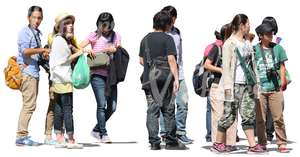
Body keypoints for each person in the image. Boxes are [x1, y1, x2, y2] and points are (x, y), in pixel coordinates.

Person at [211, 14, 264, 154]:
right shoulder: (229, 43)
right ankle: (217, 143)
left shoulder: (247, 42)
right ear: (242, 25)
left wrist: (256, 83)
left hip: (248, 85)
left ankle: (252, 145)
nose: (249, 26)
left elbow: (251, 65)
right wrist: (227, 87)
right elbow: (227, 68)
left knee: (248, 115)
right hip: (233, 85)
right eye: (248, 24)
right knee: (229, 115)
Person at [139, 11, 187, 150]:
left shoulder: (145, 39)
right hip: (166, 80)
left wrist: (153, 67)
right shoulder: (168, 39)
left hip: (149, 80)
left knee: (152, 110)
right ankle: (171, 141)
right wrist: (176, 79)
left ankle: (154, 142)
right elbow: (171, 60)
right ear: (166, 24)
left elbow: (141, 60)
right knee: (168, 110)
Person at [80, 12, 121, 143]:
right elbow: (78, 47)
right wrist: (87, 50)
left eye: (106, 25)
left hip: (111, 76)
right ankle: (103, 133)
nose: (103, 28)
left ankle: (97, 129)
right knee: (101, 105)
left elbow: (119, 49)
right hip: (97, 75)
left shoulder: (116, 35)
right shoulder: (93, 35)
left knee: (112, 107)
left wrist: (113, 49)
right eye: (101, 25)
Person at [15, 6, 50, 146]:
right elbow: (25, 51)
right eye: (34, 17)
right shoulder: (25, 32)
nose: (37, 20)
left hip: (33, 73)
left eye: (39, 18)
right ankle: (21, 137)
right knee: (29, 106)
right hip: (28, 73)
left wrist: (43, 54)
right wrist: (42, 49)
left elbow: (34, 53)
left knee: (30, 105)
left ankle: (22, 136)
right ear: (28, 17)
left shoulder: (35, 32)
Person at [49, 12, 85, 149]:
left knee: (58, 108)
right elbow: (64, 60)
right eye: (67, 24)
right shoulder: (60, 41)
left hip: (57, 80)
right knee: (68, 109)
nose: (71, 26)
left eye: (72, 24)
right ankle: (70, 139)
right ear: (60, 26)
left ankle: (59, 137)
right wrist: (79, 53)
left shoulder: (57, 40)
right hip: (64, 79)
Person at [158, 5, 193, 145]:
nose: (170, 20)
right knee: (164, 104)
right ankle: (165, 132)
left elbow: (179, 53)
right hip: (165, 73)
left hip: (179, 72)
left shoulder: (177, 31)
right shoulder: (160, 32)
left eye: (172, 17)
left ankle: (180, 132)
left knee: (183, 102)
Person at [254, 22, 289, 153]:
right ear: (260, 36)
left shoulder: (278, 49)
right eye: (268, 34)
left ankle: (281, 143)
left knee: (278, 117)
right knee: (260, 119)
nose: (271, 35)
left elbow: (282, 67)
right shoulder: (254, 49)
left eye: (272, 33)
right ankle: (262, 143)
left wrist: (283, 83)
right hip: (260, 89)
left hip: (275, 88)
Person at [204, 24, 238, 152]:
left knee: (231, 114)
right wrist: (222, 70)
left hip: (230, 86)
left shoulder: (235, 48)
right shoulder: (217, 48)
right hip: (218, 85)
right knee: (218, 115)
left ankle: (230, 143)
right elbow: (207, 65)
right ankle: (217, 143)